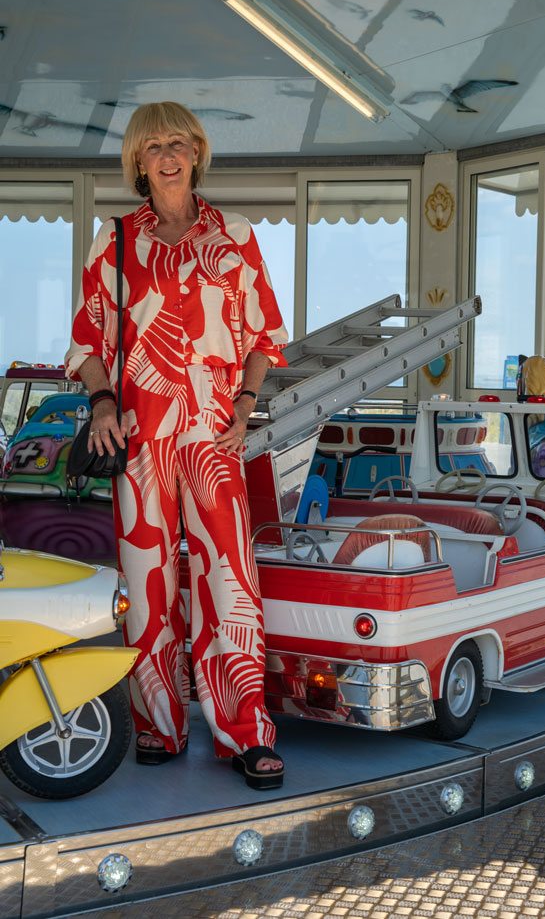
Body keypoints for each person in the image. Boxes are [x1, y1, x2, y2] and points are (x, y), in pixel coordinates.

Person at [65, 102, 287, 788]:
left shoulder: (237, 235)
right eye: (152, 144)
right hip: (139, 430)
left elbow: (262, 338)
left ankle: (245, 730)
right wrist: (103, 401)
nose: (166, 153)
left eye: (178, 142)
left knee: (230, 582)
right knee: (148, 581)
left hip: (214, 427)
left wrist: (245, 406)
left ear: (196, 152)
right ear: (137, 160)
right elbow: (87, 342)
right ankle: (159, 722)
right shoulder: (116, 240)